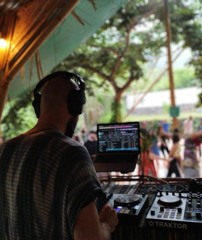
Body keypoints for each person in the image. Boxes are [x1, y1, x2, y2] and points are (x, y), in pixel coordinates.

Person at [0, 71, 118, 240]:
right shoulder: (72, 153)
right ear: (75, 106)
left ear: (38, 107)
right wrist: (106, 225)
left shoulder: (4, 150)